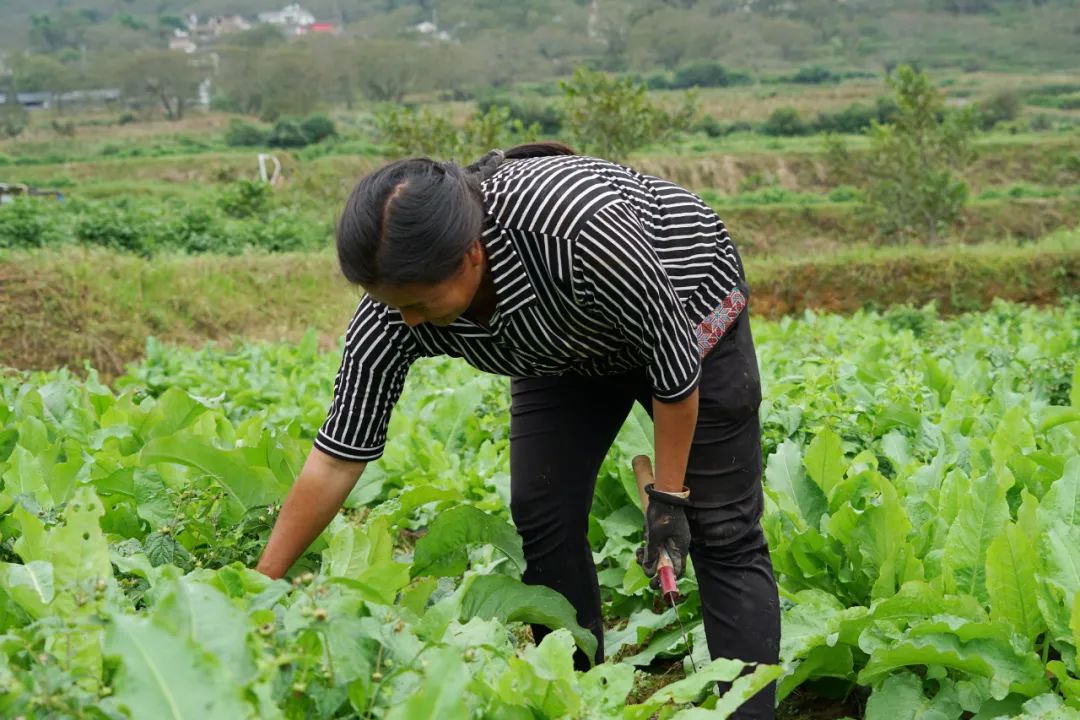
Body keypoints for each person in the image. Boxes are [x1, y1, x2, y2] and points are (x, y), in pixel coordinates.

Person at [255, 142, 781, 718]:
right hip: (557, 344)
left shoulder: (577, 233)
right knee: (542, 510)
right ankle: (576, 693)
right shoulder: (393, 309)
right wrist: (259, 588)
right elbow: (336, 457)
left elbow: (676, 375)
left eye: (421, 304)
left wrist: (669, 502)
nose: (404, 319)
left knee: (722, 529)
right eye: (389, 302)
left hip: (684, 307)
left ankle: (749, 709)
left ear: (472, 254)